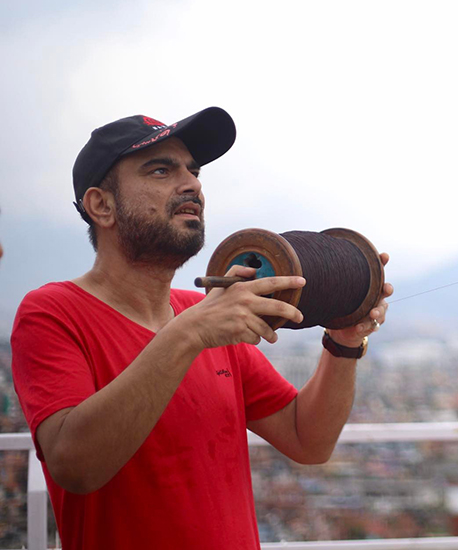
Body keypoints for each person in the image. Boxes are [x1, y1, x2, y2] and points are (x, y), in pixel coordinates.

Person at [10, 107, 392, 549]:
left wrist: (343, 343)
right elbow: (74, 466)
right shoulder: (53, 313)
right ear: (101, 205)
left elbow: (308, 440)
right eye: (160, 170)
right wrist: (189, 334)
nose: (191, 183)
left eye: (193, 171)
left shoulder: (205, 313)